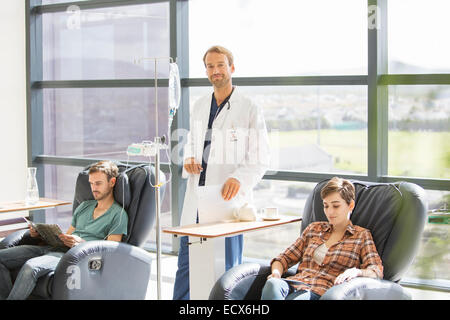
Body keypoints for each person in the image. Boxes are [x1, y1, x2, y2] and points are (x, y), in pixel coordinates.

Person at [173, 45, 270, 300]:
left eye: (220, 65)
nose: (215, 71)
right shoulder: (200, 105)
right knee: (187, 264)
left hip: (226, 201)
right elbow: (192, 144)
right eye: (210, 66)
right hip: (197, 197)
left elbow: (260, 157)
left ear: (232, 68)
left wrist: (239, 177)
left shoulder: (249, 107)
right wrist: (189, 160)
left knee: (226, 270)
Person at [0, 160, 128, 300]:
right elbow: (67, 236)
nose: (93, 188)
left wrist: (81, 243)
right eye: (91, 183)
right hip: (55, 248)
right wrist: (41, 235)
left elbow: (110, 252)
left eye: (98, 183)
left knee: (30, 267)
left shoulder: (118, 214)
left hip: (73, 256)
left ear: (112, 182)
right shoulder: (84, 206)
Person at [261, 177, 383, 300]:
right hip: (294, 284)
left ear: (350, 205)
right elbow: (284, 258)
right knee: (272, 284)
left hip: (320, 292)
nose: (329, 212)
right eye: (326, 206)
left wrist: (356, 272)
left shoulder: (361, 236)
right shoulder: (313, 229)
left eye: (336, 206)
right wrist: (276, 273)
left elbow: (376, 271)